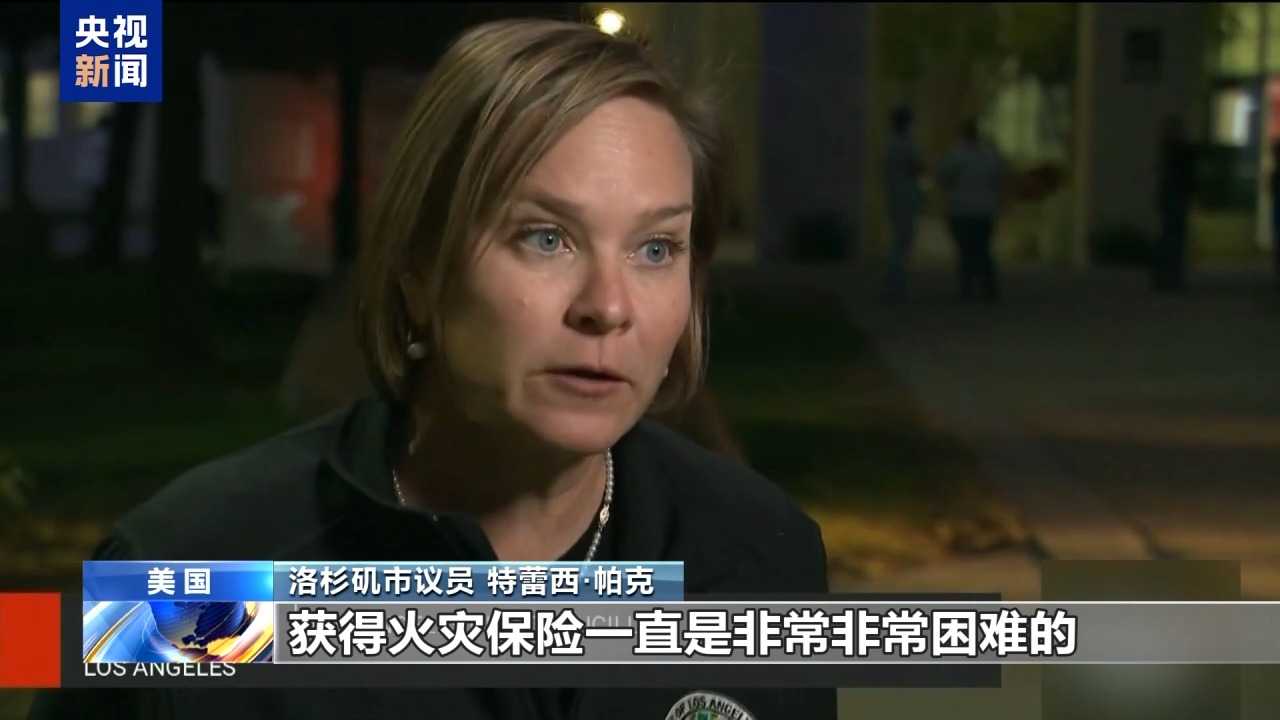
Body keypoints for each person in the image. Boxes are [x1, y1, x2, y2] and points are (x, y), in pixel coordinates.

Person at [30, 18, 832, 720]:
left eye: (656, 249)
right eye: (546, 238)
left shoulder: (759, 557)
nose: (608, 306)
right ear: (419, 267)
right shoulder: (183, 579)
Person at [940, 119, 1004, 302]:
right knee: (982, 249)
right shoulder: (988, 156)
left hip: (961, 210)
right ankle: (988, 286)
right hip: (983, 210)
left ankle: (968, 287)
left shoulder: (957, 155)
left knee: (966, 250)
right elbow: (997, 180)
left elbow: (944, 177)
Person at [882, 105, 924, 302]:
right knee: (901, 244)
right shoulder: (906, 144)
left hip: (896, 196)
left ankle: (895, 285)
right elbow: (918, 165)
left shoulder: (890, 144)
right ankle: (895, 287)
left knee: (899, 242)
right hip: (904, 196)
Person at [1152, 114, 1195, 293]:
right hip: (1176, 197)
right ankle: (1170, 276)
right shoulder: (1178, 151)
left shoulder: (1167, 152)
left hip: (1171, 197)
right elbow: (1187, 176)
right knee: (1174, 239)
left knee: (1169, 238)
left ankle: (1165, 276)